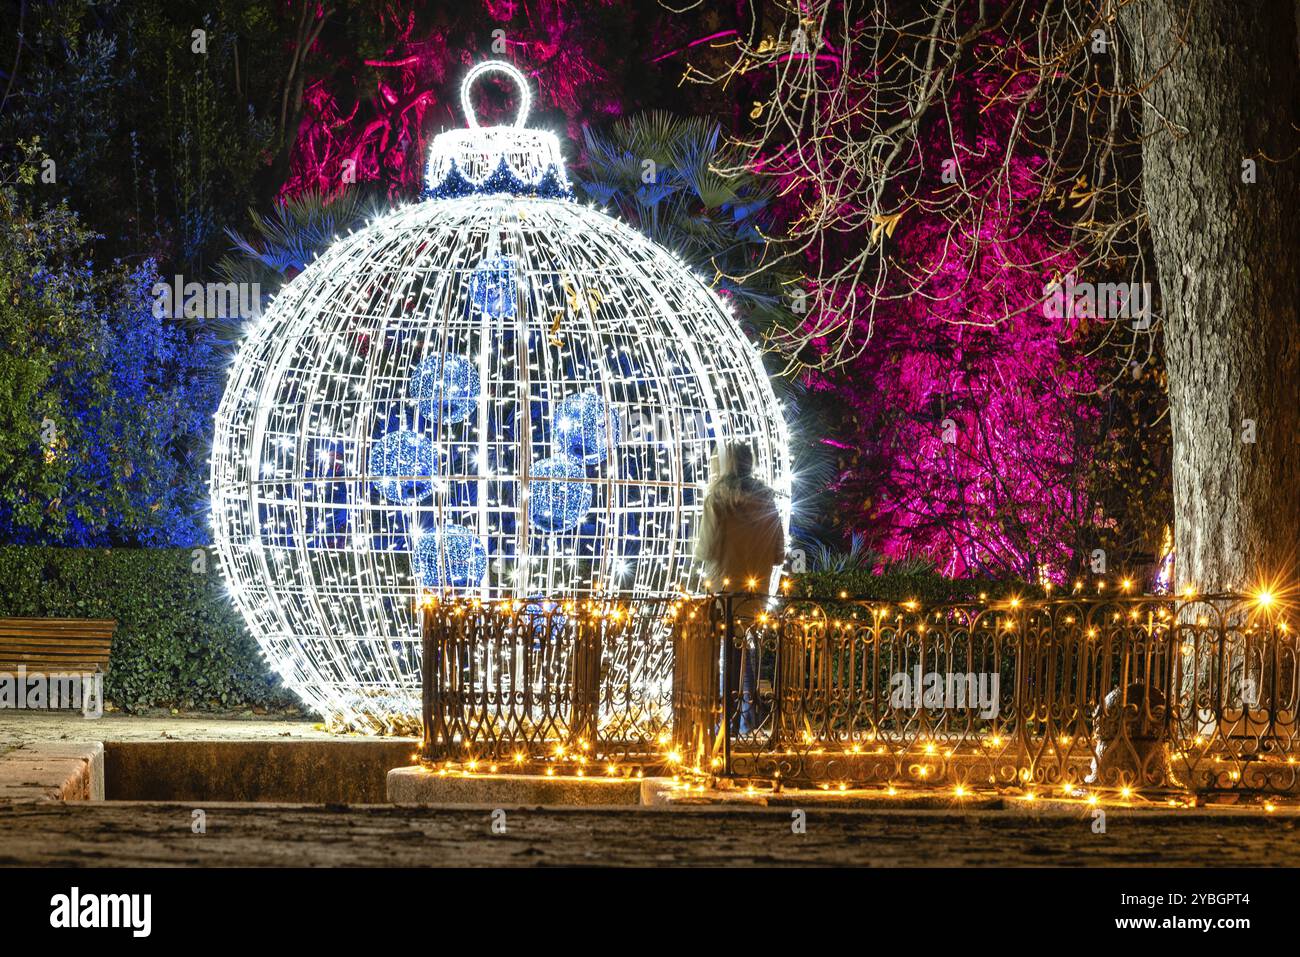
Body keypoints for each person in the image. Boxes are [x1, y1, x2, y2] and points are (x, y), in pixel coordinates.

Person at [694, 442, 785, 735]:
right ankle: (746, 722)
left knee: (725, 657)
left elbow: (705, 549)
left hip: (724, 588)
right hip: (755, 588)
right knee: (746, 650)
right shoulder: (767, 501)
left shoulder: (717, 501)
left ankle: (726, 726)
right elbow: (779, 554)